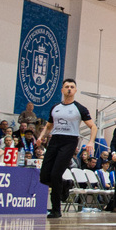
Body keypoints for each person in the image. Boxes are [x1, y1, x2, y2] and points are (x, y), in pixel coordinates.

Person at [37, 77, 95, 219]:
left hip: (69, 141)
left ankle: (56, 210)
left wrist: (91, 142)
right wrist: (41, 137)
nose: (69, 89)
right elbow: (49, 125)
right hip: (54, 140)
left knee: (56, 174)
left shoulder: (80, 108)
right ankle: (65, 184)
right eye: (67, 87)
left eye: (72, 87)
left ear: (75, 90)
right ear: (62, 90)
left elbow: (93, 127)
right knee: (44, 176)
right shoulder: (55, 107)